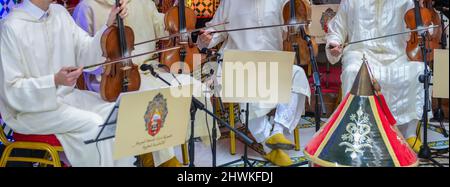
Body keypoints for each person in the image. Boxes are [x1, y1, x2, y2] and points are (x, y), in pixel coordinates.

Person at [0, 0, 135, 166]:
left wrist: (108, 25)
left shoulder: (59, 13)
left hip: (68, 98)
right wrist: (54, 81)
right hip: (31, 111)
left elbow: (85, 51)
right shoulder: (11, 27)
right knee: (94, 123)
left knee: (116, 113)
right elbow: (11, 89)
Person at [198, 0, 311, 167]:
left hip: (273, 61)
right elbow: (214, 31)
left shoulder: (282, 2)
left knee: (297, 74)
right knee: (247, 82)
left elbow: (294, 26)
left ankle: (278, 131)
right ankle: (267, 143)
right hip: (238, 62)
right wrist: (206, 39)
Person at [326, 0, 429, 152]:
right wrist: (334, 44)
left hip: (397, 54)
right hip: (361, 53)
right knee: (352, 71)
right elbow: (337, 30)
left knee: (420, 70)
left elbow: (417, 28)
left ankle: (409, 133)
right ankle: (357, 131)